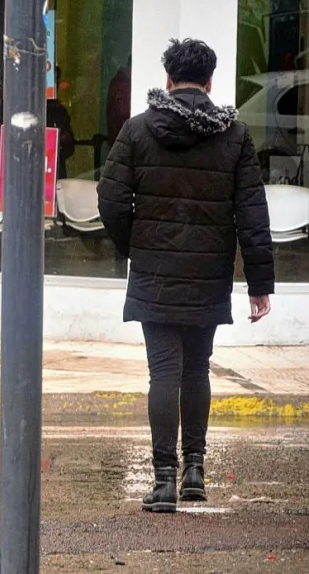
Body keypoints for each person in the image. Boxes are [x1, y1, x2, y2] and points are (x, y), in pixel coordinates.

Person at [98, 39, 274, 514]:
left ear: (169, 81)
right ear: (211, 83)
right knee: (197, 368)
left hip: (155, 272)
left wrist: (135, 247)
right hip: (209, 272)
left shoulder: (137, 131)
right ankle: (195, 471)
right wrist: (260, 285)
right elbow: (252, 214)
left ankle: (163, 481)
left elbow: (110, 200)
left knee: (163, 372)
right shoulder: (234, 136)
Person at [106, 56, 132, 145]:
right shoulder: (122, 85)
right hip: (122, 140)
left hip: (119, 139)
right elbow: (124, 113)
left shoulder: (119, 82)